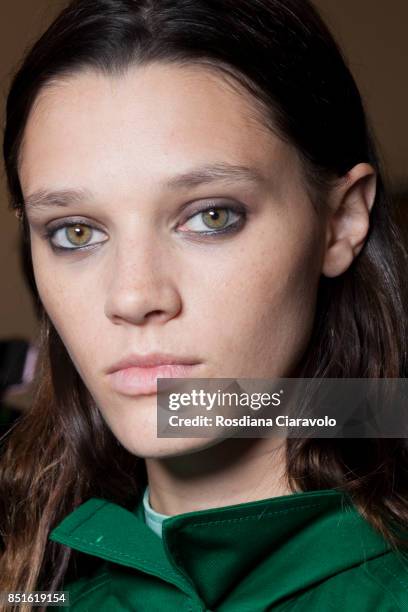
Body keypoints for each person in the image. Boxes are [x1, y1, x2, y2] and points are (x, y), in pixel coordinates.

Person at [1, 0, 407, 610]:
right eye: (76, 232)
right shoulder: (38, 589)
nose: (134, 297)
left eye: (211, 216)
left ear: (342, 220)